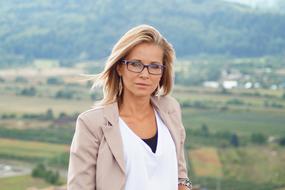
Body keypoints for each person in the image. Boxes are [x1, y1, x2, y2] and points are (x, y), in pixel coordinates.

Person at [67, 24, 192, 190]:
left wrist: (185, 185)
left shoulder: (170, 109)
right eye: (135, 64)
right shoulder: (92, 123)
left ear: (163, 72)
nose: (145, 74)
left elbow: (181, 176)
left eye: (154, 66)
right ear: (119, 67)